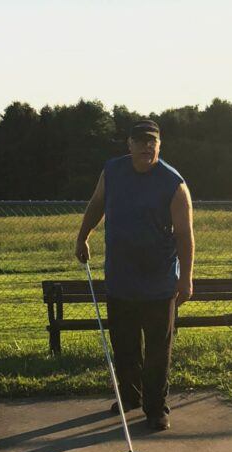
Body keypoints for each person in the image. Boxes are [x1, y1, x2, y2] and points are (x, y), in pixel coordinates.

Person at [75, 119, 195, 431]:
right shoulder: (113, 171)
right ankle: (130, 397)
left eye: (151, 141)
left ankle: (155, 408)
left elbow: (185, 235)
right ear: (129, 145)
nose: (146, 146)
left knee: (157, 350)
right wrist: (82, 236)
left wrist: (186, 279)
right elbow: (97, 204)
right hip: (121, 279)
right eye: (140, 141)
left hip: (158, 283)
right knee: (125, 347)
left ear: (159, 145)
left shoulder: (173, 183)